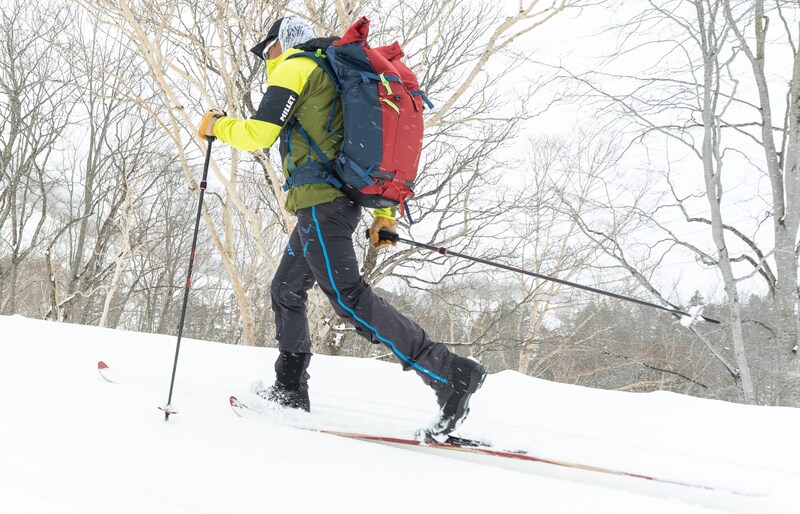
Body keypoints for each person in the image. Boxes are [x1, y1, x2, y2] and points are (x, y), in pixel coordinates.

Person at [196, 15, 485, 436]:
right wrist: (385, 215)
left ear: (283, 42)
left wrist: (216, 125)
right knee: (286, 288)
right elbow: (367, 147)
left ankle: (448, 371)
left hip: (321, 205)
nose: (266, 57)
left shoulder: (297, 66)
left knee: (349, 297)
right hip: (329, 205)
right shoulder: (334, 74)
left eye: (268, 48)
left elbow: (258, 134)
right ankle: (290, 387)